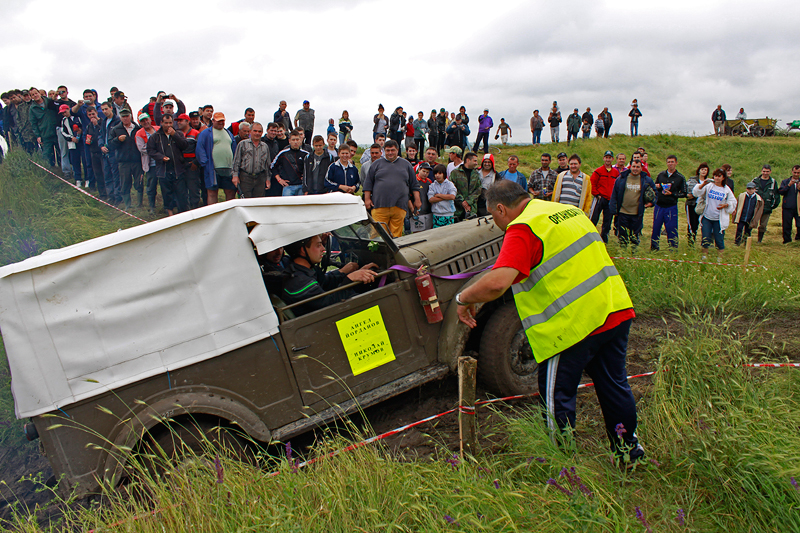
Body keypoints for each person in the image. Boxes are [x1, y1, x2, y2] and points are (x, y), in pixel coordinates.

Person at [455, 180, 643, 465]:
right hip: (613, 308)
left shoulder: (523, 228)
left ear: (502, 209)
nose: (497, 224)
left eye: (494, 217)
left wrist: (462, 298)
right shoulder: (567, 211)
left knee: (557, 398)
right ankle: (630, 453)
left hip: (572, 328)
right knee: (615, 385)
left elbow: (497, 283)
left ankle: (563, 467)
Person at [281, 234, 377, 316]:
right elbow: (328, 303)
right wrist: (349, 279)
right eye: (318, 245)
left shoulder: (305, 270)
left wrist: (357, 273)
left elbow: (326, 282)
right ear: (303, 250)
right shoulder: (298, 281)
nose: (323, 249)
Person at [363, 140, 421, 237]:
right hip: (379, 205)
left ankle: (394, 252)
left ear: (397, 150)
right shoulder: (376, 164)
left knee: (396, 235)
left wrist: (417, 200)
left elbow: (414, 184)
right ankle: (378, 252)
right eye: (388, 150)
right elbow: (368, 183)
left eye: (392, 150)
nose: (390, 153)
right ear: (384, 151)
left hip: (399, 205)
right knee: (377, 234)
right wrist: (367, 199)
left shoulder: (406, 165)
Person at [146, 113, 189, 215]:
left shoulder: (178, 133)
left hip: (178, 169)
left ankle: (182, 215)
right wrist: (161, 157)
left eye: (170, 123)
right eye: (166, 123)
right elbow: (150, 150)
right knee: (167, 194)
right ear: (161, 123)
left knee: (181, 194)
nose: (168, 125)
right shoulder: (155, 136)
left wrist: (174, 135)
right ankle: (170, 215)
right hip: (163, 169)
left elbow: (185, 145)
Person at [609, 160, 656, 249]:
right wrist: (613, 209)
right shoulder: (622, 178)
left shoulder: (646, 180)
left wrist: (651, 203)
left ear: (641, 168)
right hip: (623, 212)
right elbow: (614, 194)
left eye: (637, 167)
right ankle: (623, 252)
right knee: (622, 235)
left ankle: (633, 252)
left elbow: (655, 193)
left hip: (637, 213)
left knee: (634, 236)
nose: (635, 169)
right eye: (633, 166)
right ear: (630, 167)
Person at [693, 168, 737, 261]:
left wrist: (726, 205)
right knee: (705, 237)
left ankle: (719, 258)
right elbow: (697, 193)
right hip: (707, 216)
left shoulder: (726, 189)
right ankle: (704, 256)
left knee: (719, 239)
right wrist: (702, 184)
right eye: (715, 176)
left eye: (719, 176)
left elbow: (733, 201)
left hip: (718, 218)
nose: (717, 178)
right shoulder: (709, 186)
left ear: (723, 177)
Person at [196, 111, 237, 204]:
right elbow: (200, 149)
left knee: (230, 192)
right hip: (212, 169)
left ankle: (229, 215)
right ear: (213, 121)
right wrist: (205, 163)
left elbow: (234, 149)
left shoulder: (228, 133)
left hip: (228, 168)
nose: (221, 123)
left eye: (222, 121)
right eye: (218, 121)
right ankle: (213, 215)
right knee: (212, 193)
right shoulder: (206, 133)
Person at [651, 155, 686, 251]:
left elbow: (684, 193)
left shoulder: (680, 177)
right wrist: (657, 187)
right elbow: (654, 187)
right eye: (669, 162)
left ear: (676, 163)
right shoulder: (661, 175)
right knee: (656, 227)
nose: (670, 164)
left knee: (672, 228)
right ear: (666, 163)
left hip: (671, 206)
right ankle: (654, 248)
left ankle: (673, 248)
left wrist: (673, 194)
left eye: (672, 162)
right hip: (659, 205)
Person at [108, 109, 141, 208]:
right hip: (123, 161)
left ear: (130, 116)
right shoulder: (115, 129)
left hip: (137, 160)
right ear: (120, 117)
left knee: (139, 183)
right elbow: (110, 145)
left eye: (127, 116)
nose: (125, 118)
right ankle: (128, 205)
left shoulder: (137, 128)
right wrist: (117, 140)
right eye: (123, 116)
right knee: (125, 184)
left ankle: (139, 205)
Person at [231, 122, 270, 198]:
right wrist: (235, 176)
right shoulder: (242, 144)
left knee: (258, 202)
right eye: (255, 131)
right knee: (245, 202)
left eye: (259, 131)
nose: (257, 133)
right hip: (246, 177)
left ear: (262, 133)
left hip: (260, 178)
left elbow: (267, 165)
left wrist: (268, 179)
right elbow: (236, 162)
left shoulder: (265, 146)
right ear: (250, 131)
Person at [590, 151, 620, 243]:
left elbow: (618, 185)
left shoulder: (616, 172)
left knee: (608, 220)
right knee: (594, 218)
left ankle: (604, 237)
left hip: (610, 199)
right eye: (606, 157)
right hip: (600, 198)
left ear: (612, 159)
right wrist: (596, 194)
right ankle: (590, 236)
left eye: (609, 157)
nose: (608, 159)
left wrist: (615, 197)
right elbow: (592, 183)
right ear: (603, 158)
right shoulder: (598, 171)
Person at [271, 129, 309, 197]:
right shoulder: (283, 153)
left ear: (300, 140)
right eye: (293, 140)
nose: (295, 142)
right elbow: (272, 166)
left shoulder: (306, 154)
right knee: (286, 207)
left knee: (301, 207)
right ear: (289, 141)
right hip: (288, 187)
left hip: (302, 187)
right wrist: (279, 179)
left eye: (297, 139)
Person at [176, 113, 203, 208]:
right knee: (181, 190)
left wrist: (196, 162)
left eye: (180, 120)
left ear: (187, 122)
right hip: (180, 165)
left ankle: (195, 210)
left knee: (193, 189)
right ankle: (183, 212)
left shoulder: (196, 133)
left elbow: (200, 149)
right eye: (177, 121)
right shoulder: (177, 134)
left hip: (192, 165)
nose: (178, 123)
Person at [28, 88, 59, 167]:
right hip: (45, 133)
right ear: (31, 97)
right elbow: (33, 123)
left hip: (56, 130)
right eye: (33, 95)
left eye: (36, 93)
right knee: (47, 154)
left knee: (61, 152)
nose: (35, 95)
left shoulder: (50, 101)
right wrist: (38, 135)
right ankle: (49, 171)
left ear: (39, 93)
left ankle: (64, 170)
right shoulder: (32, 108)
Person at [449, 151, 481, 220]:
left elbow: (478, 189)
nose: (476, 163)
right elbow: (451, 188)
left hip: (471, 209)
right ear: (468, 160)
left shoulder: (476, 174)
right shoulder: (455, 173)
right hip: (457, 210)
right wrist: (462, 202)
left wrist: (468, 202)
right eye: (474, 161)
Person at [753, 164, 781, 242]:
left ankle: (759, 240)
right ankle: (747, 238)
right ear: (761, 171)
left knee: (763, 225)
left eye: (767, 171)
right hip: (755, 207)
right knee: (751, 223)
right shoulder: (755, 181)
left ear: (770, 172)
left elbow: (776, 195)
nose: (765, 173)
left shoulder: (773, 182)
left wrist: (772, 206)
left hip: (767, 208)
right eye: (764, 171)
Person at [684, 163, 709, 246]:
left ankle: (704, 241)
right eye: (702, 169)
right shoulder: (692, 179)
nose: (703, 171)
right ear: (699, 170)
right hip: (692, 204)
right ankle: (691, 242)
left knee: (701, 223)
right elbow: (686, 190)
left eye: (705, 170)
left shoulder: (709, 182)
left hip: (702, 206)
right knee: (692, 224)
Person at [779, 166, 800, 244]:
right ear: (792, 172)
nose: (796, 174)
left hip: (799, 207)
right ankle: (787, 240)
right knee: (786, 225)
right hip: (788, 207)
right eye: (795, 172)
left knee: (799, 224)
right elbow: (781, 192)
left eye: (798, 173)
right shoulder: (785, 181)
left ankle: (798, 239)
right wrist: (789, 185)